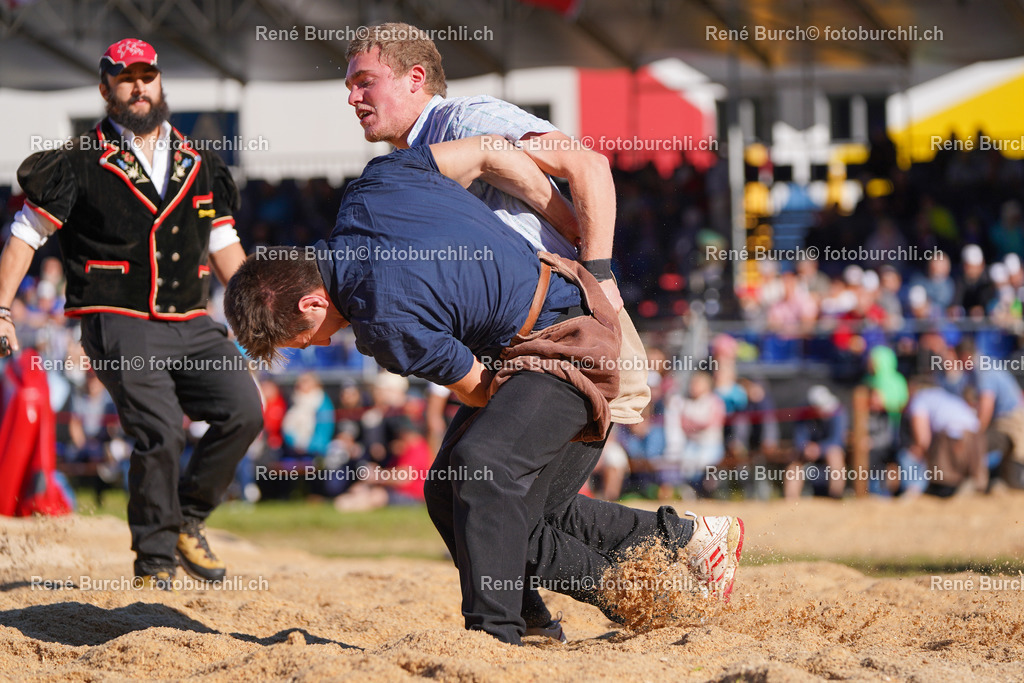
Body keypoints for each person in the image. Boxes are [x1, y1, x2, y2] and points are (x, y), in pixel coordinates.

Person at [223, 137, 743, 646]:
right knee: (460, 494)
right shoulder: (374, 185)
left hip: (568, 347)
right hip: (566, 310)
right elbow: (490, 150)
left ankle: (495, 636)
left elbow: (480, 390)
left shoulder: (382, 326)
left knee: (486, 473)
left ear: (312, 304)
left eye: (298, 339)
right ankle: (652, 568)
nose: (312, 345)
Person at [343, 22, 652, 638]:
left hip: (574, 333)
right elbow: (536, 197)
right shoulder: (414, 158)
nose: (352, 97)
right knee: (464, 494)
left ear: (415, 78)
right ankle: (537, 622)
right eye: (348, 86)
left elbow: (587, 163)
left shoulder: (464, 120)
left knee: (500, 505)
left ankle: (674, 554)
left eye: (363, 81)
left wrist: (598, 275)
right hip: (530, 348)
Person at [0, 39, 263, 586]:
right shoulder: (75, 161)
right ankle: (155, 562)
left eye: (147, 75)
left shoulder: (201, 161)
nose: (139, 86)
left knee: (245, 411)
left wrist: (256, 314)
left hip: (191, 320)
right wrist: (1, 307)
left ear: (161, 83)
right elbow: (26, 235)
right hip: (116, 316)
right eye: (125, 78)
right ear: (105, 90)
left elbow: (223, 243)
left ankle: (188, 517)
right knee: (160, 430)